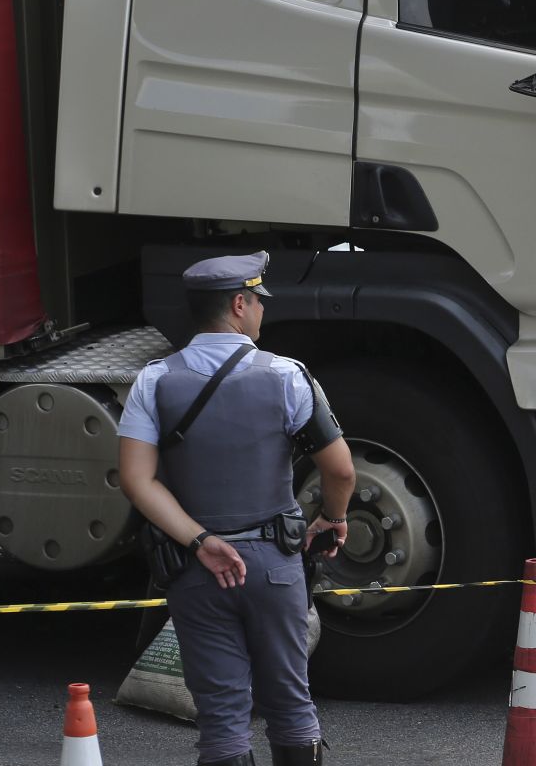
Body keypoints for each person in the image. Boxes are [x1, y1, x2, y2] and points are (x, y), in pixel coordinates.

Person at [118, 253, 356, 765]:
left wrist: (200, 541)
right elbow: (340, 470)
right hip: (274, 566)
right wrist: (332, 517)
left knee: (222, 719)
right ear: (239, 304)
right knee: (291, 705)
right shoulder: (287, 377)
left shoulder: (153, 381)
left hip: (197, 569)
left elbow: (136, 481)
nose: (262, 313)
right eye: (259, 303)